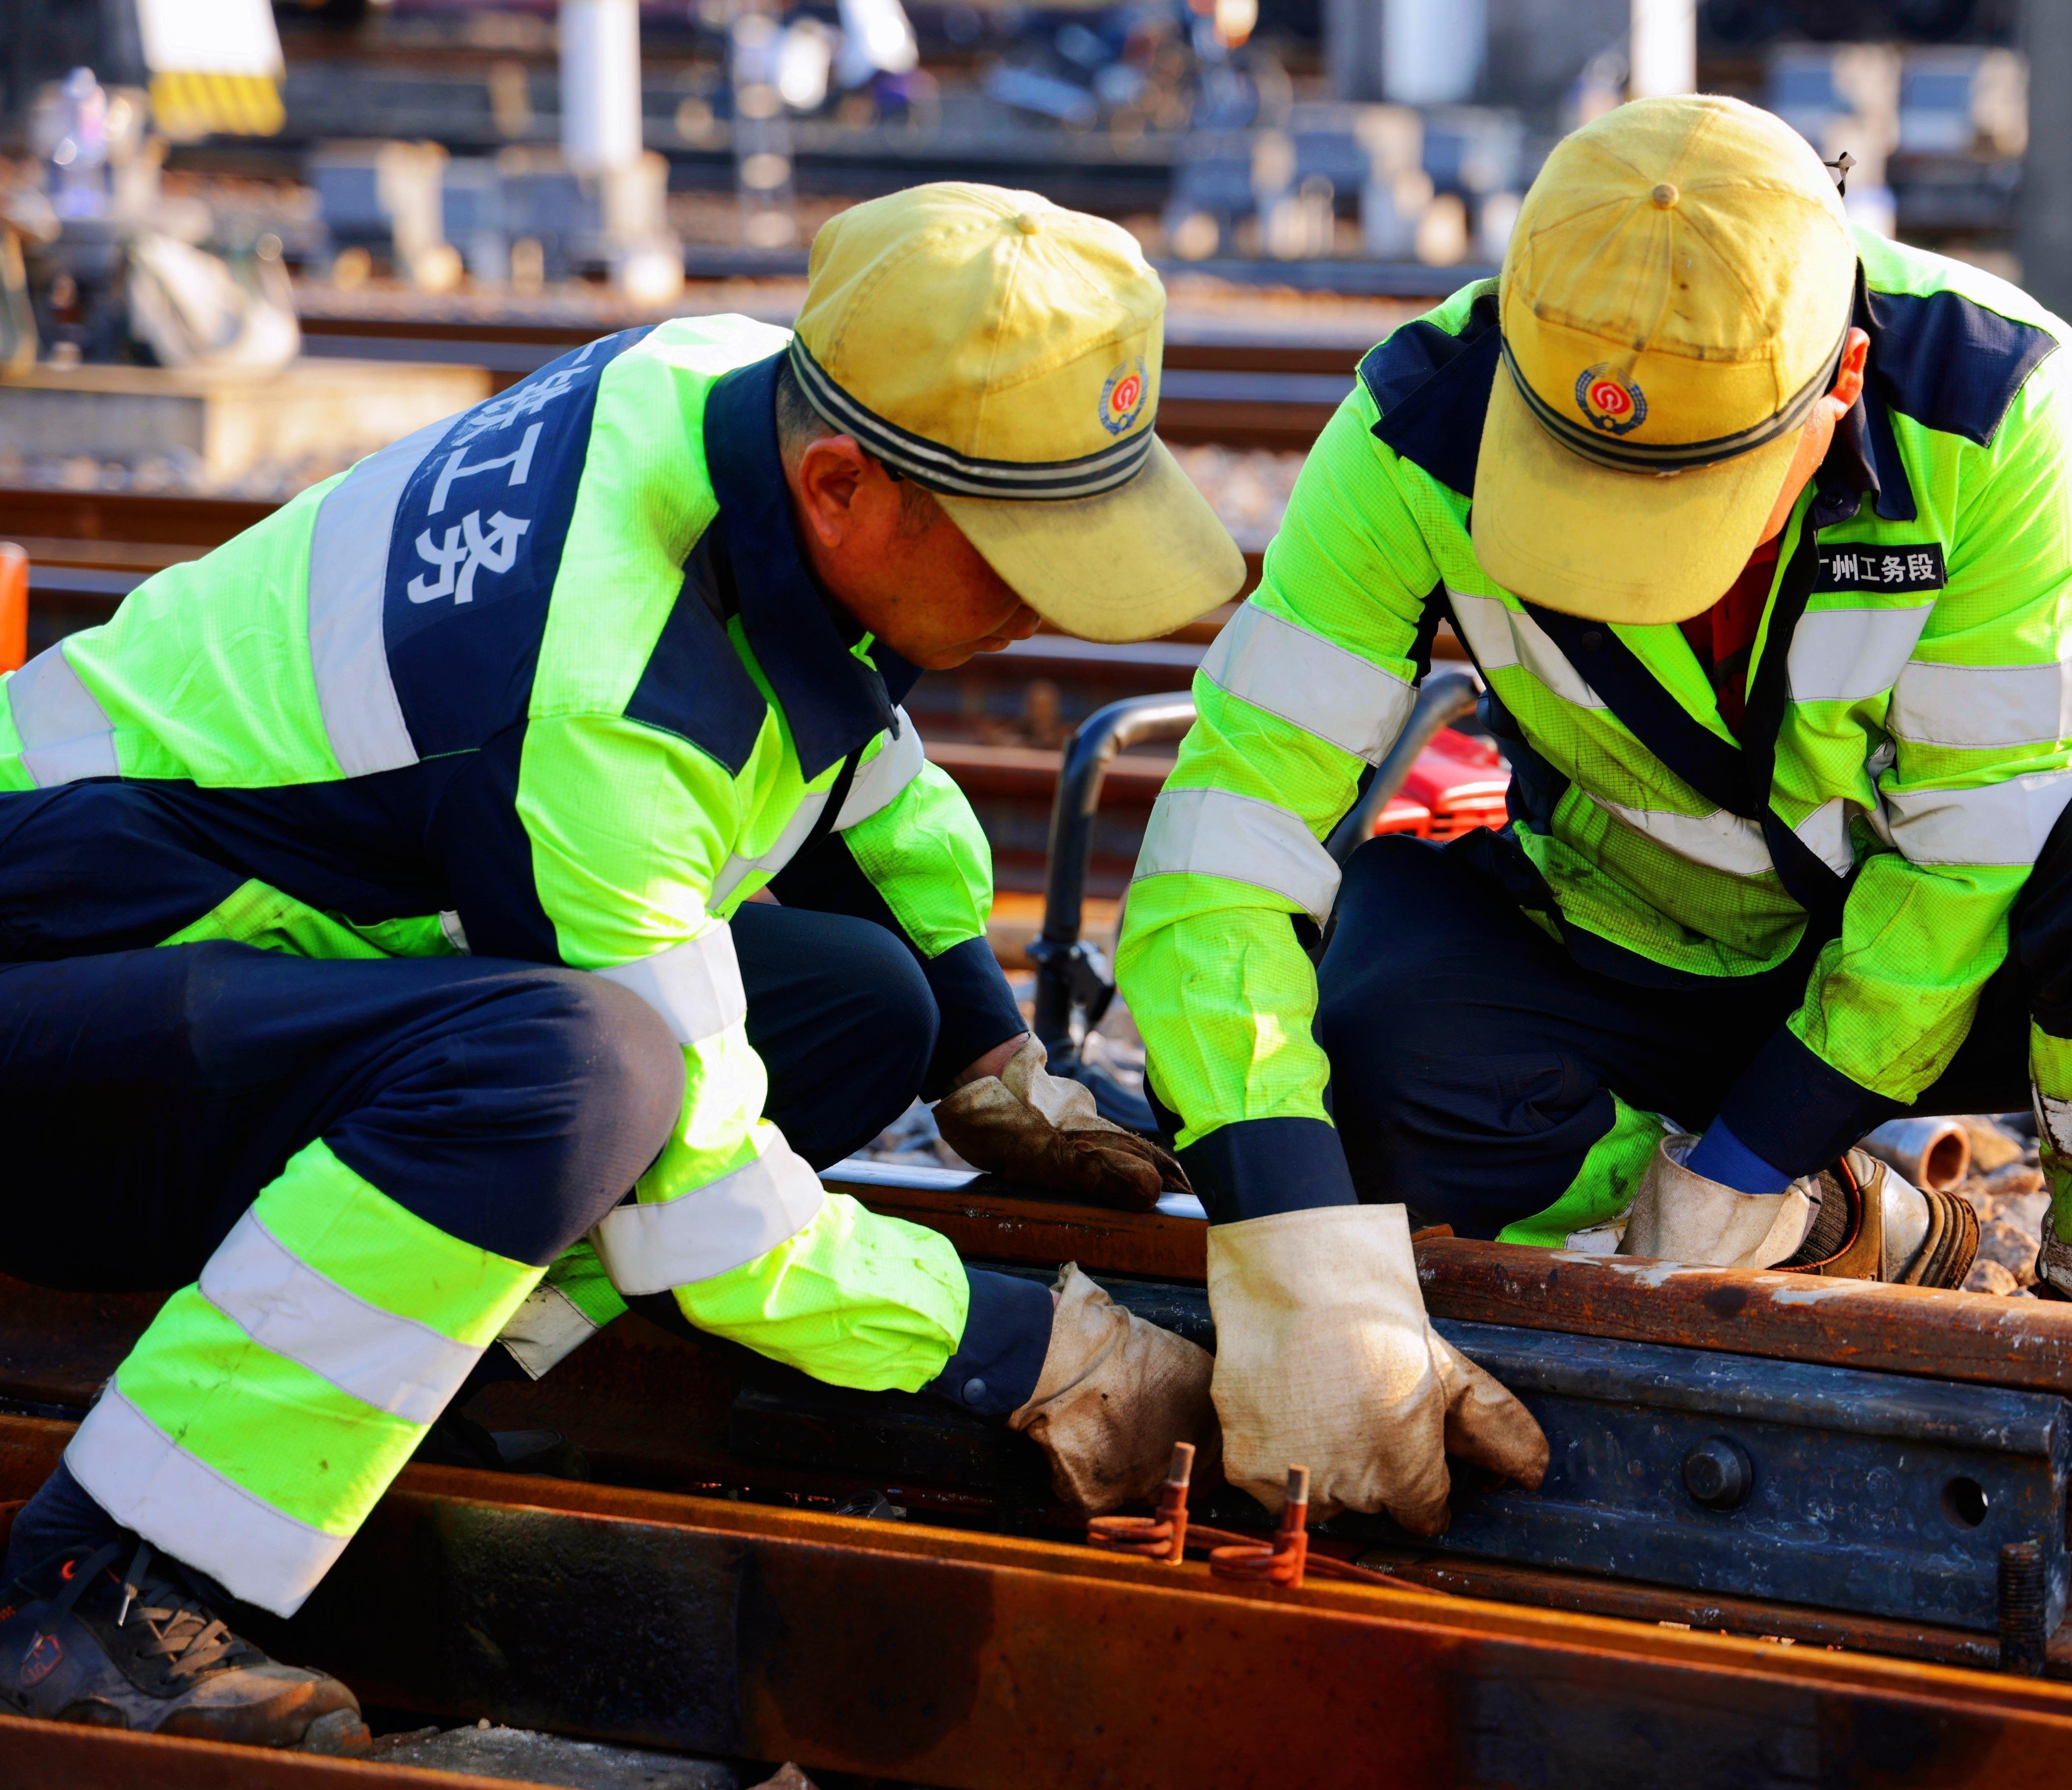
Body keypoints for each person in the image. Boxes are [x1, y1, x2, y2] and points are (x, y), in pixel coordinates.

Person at [0, 182, 1243, 1749]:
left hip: (261, 965)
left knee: (864, 1008)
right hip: (65, 1037)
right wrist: (1034, 1349)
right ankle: (95, 1581)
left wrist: (984, 1049)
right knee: (574, 1073)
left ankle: (428, 1367)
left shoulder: (734, 385)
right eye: (1021, 553)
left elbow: (858, 758)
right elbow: (714, 1220)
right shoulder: (598, 700)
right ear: (843, 488)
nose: (1050, 604)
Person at [1117, 96, 2072, 1533]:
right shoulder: (1416, 425)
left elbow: (1970, 869)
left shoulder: (2000, 410)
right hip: (1641, 942)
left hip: (1973, 961)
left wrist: (1751, 1151)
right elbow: (1231, 836)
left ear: (1840, 387)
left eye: (1681, 499)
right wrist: (1290, 1239)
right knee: (1370, 1061)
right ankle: (1848, 1226)